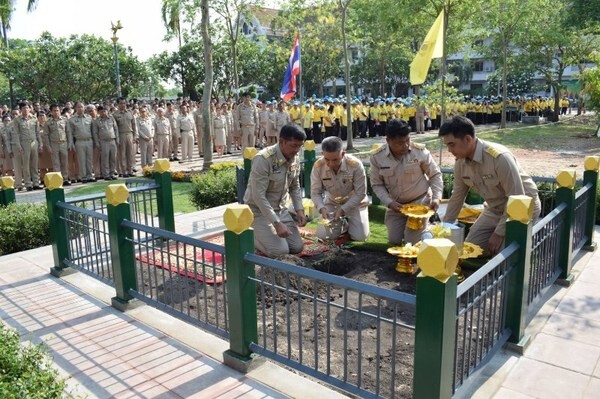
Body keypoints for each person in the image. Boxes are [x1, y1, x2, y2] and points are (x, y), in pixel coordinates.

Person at [439, 115, 541, 254]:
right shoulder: (460, 163)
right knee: (471, 249)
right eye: (447, 145)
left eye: (452, 144)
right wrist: (445, 227)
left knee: (505, 254)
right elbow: (457, 196)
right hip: (494, 209)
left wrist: (499, 233)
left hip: (522, 208)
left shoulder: (499, 157)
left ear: (468, 139)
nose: (449, 150)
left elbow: (517, 196)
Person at [370, 118, 442, 244]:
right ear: (388, 140)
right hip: (396, 206)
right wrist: (389, 202)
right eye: (400, 143)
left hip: (420, 202)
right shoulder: (377, 157)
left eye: (407, 140)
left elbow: (435, 175)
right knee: (394, 240)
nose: (406, 145)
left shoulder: (419, 152)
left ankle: (428, 230)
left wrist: (437, 197)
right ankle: (425, 228)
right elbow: (377, 184)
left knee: (412, 242)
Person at [243, 123, 307, 257]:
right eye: (294, 145)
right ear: (282, 141)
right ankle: (248, 233)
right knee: (280, 251)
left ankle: (268, 235)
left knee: (296, 247)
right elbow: (258, 196)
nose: (297, 150)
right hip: (258, 210)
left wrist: (299, 210)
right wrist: (277, 223)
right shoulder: (263, 159)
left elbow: (294, 186)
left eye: (300, 146)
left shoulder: (294, 157)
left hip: (281, 209)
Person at [310, 136, 369, 241]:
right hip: (332, 202)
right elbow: (315, 193)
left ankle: (349, 222)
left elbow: (360, 194)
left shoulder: (355, 165)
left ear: (343, 154)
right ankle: (343, 225)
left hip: (355, 203)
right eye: (327, 159)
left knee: (360, 237)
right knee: (324, 237)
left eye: (335, 160)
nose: (331, 164)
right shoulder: (318, 166)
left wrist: (343, 209)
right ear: (323, 154)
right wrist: (321, 208)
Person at [67, 102, 95, 183]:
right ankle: (83, 177)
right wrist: (71, 144)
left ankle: (90, 176)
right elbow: (70, 133)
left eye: (82, 107)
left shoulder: (89, 118)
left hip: (89, 140)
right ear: (75, 108)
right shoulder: (72, 120)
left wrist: (94, 141)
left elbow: (93, 131)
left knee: (89, 160)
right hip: (79, 142)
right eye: (78, 107)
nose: (80, 108)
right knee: (82, 160)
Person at [43, 104, 71, 185]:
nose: (56, 112)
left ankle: (65, 179)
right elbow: (46, 135)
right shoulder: (48, 122)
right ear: (51, 112)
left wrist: (69, 143)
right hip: (54, 144)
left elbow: (68, 132)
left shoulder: (64, 120)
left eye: (57, 110)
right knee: (56, 164)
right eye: (54, 111)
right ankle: (59, 180)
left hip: (63, 143)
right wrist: (48, 146)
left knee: (64, 163)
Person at [92, 106, 119, 180]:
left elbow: (116, 129)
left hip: (112, 140)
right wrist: (97, 143)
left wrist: (117, 139)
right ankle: (106, 175)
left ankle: (112, 173)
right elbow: (95, 133)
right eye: (101, 111)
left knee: (113, 158)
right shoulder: (96, 121)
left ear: (107, 111)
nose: (103, 113)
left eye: (104, 111)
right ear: (98, 112)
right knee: (105, 158)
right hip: (103, 141)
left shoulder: (111, 118)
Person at [113, 97, 136, 177]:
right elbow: (114, 128)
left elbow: (133, 125)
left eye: (124, 103)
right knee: (122, 154)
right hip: (121, 134)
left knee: (130, 154)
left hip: (129, 134)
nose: (123, 105)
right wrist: (117, 138)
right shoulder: (115, 114)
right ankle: (123, 171)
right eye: (121, 103)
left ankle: (130, 170)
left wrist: (135, 136)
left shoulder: (130, 112)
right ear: (118, 104)